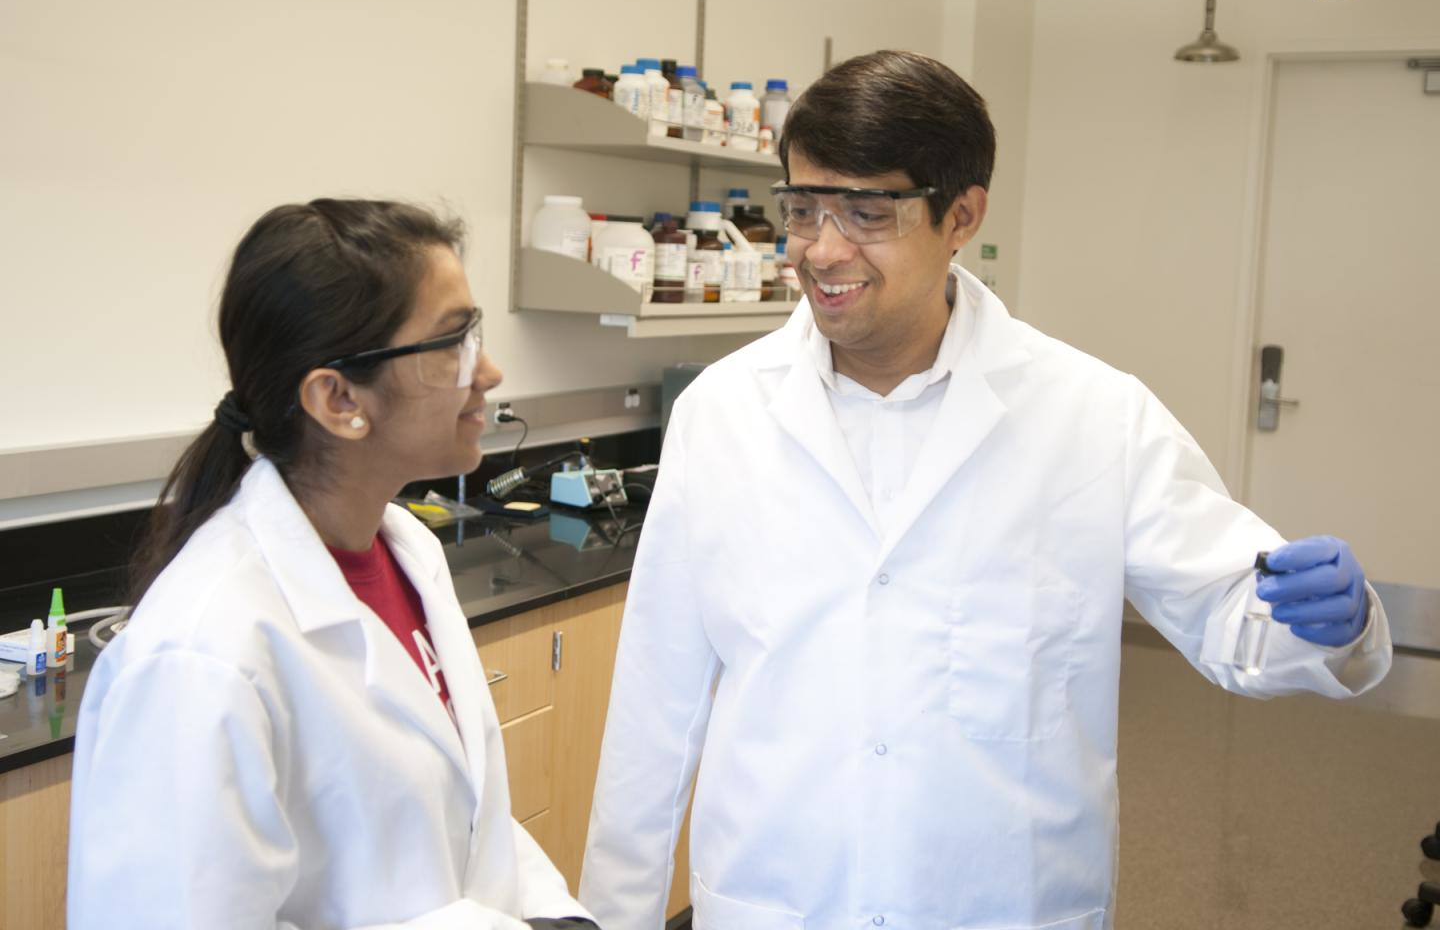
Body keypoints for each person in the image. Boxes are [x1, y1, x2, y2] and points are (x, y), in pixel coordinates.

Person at [577, 51, 1392, 930]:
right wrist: (614, 915)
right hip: (779, 899)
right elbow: (655, 706)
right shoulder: (722, 414)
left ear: (961, 215)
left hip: (1002, 901)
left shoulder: (1092, 415)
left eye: (867, 212)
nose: (823, 249)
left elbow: (1232, 609)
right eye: (803, 208)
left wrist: (1333, 624)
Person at [68, 199, 598, 930]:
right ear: (338, 398)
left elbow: (467, 820)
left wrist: (556, 917)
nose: (489, 371)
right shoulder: (203, 654)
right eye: (453, 343)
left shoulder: (407, 552)